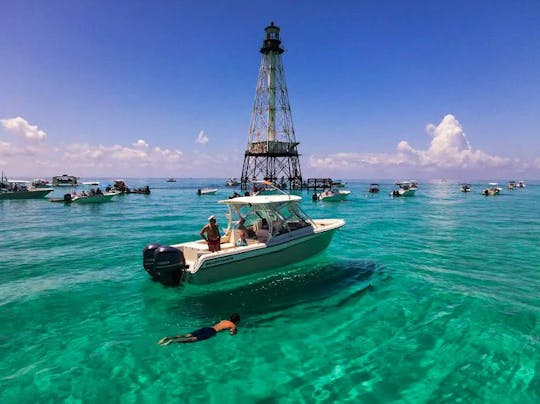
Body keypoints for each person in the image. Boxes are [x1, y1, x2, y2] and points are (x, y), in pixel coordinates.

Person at [158, 313, 240, 345]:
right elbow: (231, 333)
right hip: (211, 332)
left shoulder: (224, 320)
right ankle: (172, 341)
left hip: (208, 328)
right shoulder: (233, 325)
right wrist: (235, 331)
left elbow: (220, 323)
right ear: (236, 321)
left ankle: (168, 337)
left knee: (188, 335)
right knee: (193, 339)